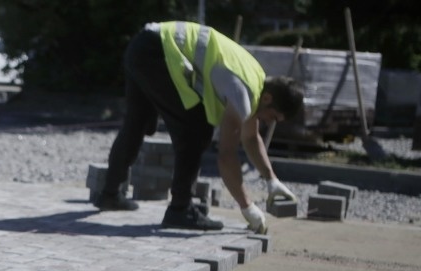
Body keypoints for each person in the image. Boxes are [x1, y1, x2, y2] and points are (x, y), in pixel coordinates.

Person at [97, 20, 304, 232]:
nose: (270, 123)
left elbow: (250, 138)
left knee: (137, 122)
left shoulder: (256, 82)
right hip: (158, 52)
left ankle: (110, 194)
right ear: (268, 99)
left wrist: (272, 180)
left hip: (144, 44)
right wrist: (247, 207)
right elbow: (226, 156)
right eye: (274, 117)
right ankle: (180, 209)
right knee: (195, 129)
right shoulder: (244, 93)